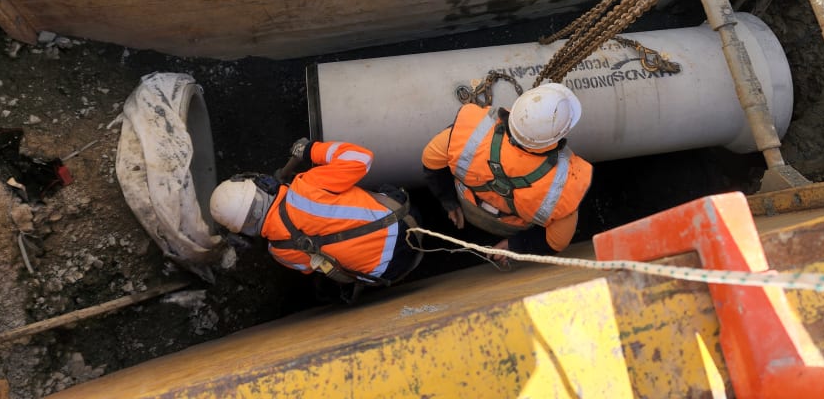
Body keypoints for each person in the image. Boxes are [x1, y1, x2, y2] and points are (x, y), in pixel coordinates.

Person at [209, 138, 423, 296]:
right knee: (349, 182)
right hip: (411, 225)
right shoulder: (307, 186)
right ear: (263, 185)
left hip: (391, 273)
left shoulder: (279, 252)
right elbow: (362, 157)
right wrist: (312, 150)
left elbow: (316, 265)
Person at [421, 83, 592, 259]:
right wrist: (515, 245)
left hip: (467, 205)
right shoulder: (565, 185)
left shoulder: (470, 132)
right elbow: (557, 242)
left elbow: (430, 159)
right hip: (507, 227)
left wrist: (449, 201)